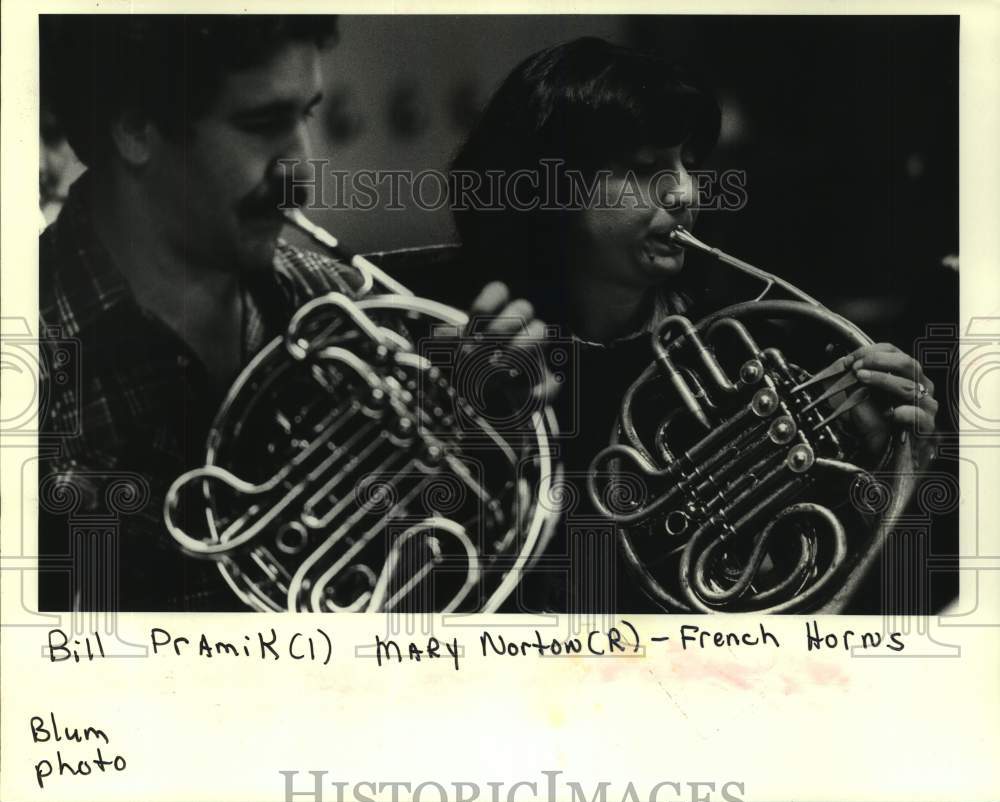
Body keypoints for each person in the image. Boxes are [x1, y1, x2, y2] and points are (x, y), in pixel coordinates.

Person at [37, 15, 547, 611]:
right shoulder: (33, 342)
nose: (303, 172)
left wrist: (478, 445)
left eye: (304, 116)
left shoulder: (348, 313)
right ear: (134, 128)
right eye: (261, 125)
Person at [449, 37, 940, 612]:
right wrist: (469, 430)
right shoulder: (479, 346)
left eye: (689, 164)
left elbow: (841, 605)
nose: (684, 192)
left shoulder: (746, 351)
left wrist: (886, 477)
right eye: (646, 168)